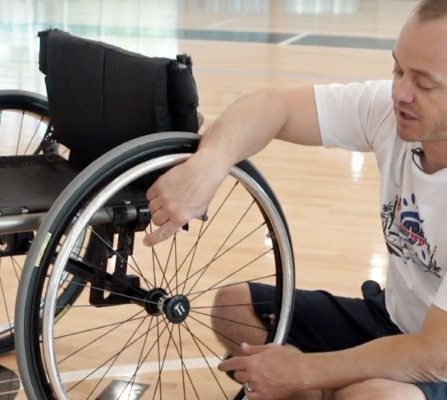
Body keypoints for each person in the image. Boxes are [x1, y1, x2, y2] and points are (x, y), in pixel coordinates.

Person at [142, 0, 447, 399]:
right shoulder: (389, 113)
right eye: (397, 69)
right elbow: (275, 106)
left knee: (372, 397)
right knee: (234, 310)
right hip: (389, 320)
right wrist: (209, 165)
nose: (400, 92)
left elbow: (436, 355)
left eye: (424, 84)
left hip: (437, 356)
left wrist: (305, 371)